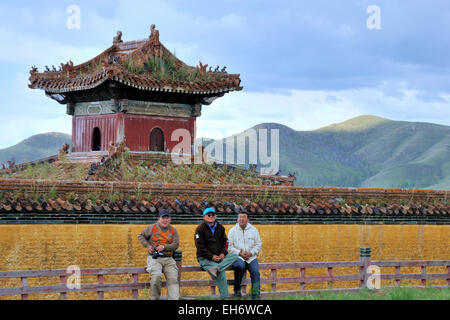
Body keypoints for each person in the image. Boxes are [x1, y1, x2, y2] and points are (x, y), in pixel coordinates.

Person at [194, 208, 238, 299]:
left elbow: (225, 242)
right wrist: (212, 256)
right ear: (204, 217)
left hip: (219, 258)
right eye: (208, 215)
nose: (211, 217)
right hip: (205, 258)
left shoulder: (220, 228)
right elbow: (200, 247)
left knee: (234, 256)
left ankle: (216, 268)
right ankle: (225, 297)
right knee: (221, 273)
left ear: (215, 216)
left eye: (213, 215)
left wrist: (223, 253)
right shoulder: (200, 229)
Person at [138, 209, 180, 300]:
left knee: (173, 279)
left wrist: (164, 247)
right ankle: (154, 298)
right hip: (155, 258)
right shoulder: (152, 228)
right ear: (158, 219)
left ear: (170, 219)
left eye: (167, 218)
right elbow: (140, 236)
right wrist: (148, 246)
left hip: (169, 259)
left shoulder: (173, 230)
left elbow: (176, 244)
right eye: (163, 218)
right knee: (156, 277)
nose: (165, 220)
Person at [228, 212, 262, 299]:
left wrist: (251, 253)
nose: (241, 219)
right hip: (238, 256)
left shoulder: (254, 230)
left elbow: (258, 244)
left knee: (255, 272)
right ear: (237, 219)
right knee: (240, 266)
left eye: (243, 217)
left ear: (248, 219)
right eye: (239, 217)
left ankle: (255, 295)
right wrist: (239, 253)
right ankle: (237, 290)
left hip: (251, 257)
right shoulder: (232, 231)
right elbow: (229, 246)